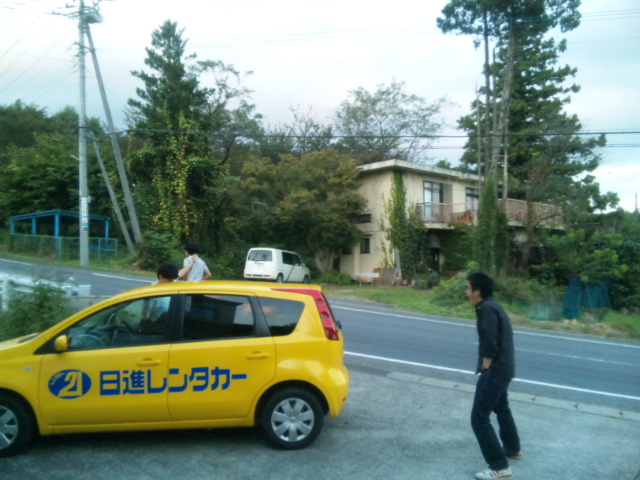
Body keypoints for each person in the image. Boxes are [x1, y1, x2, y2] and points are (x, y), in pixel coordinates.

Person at [466, 272, 521, 480]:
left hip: (496, 370)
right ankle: (513, 449)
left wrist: (487, 363)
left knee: (479, 418)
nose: (466, 292)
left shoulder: (486, 308)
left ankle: (500, 467)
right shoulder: (493, 305)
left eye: (468, 288)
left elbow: (490, 339)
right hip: (505, 368)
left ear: (477, 291)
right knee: (501, 408)